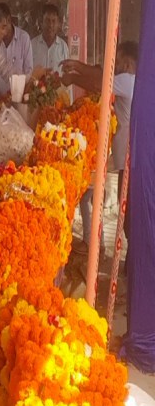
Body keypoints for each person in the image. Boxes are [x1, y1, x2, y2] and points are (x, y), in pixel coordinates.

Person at [62, 41, 137, 252]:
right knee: (126, 212)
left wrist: (75, 73)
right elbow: (102, 75)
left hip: (128, 161)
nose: (117, 66)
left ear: (129, 63)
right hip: (126, 159)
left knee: (128, 215)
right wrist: (77, 69)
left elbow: (99, 83)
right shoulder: (132, 82)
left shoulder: (128, 80)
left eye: (119, 62)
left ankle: (132, 257)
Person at [0, 3, 33, 96]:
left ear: (8, 20)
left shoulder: (24, 38)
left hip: (19, 98)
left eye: (2, 26)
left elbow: (29, 72)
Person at [32, 4, 69, 73]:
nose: (50, 25)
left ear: (58, 24)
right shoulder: (32, 45)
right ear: (41, 22)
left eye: (54, 21)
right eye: (47, 21)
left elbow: (67, 73)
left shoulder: (63, 47)